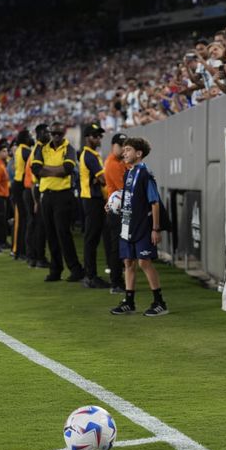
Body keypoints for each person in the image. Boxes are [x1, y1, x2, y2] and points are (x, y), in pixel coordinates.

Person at [110, 137, 168, 317]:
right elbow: (128, 197)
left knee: (144, 262)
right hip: (127, 225)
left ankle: (159, 302)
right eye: (124, 149)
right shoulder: (128, 172)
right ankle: (129, 301)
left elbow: (155, 202)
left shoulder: (145, 173)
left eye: (127, 149)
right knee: (128, 262)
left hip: (143, 226)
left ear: (138, 153)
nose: (124, 153)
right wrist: (113, 204)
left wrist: (155, 228)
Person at [31, 122, 85, 282]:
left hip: (63, 195)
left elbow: (68, 169)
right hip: (46, 195)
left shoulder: (69, 149)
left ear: (64, 133)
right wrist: (57, 171)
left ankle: (75, 269)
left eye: (59, 134)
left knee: (63, 233)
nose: (56, 136)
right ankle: (56, 269)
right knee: (51, 234)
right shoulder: (42, 148)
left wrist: (46, 170)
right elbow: (35, 169)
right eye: (53, 133)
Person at [79, 123, 110, 289]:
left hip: (92, 198)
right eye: (95, 136)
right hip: (92, 199)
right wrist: (100, 179)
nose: (98, 138)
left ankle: (90, 275)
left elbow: (99, 178)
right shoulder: (90, 155)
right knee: (91, 238)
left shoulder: (91, 154)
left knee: (92, 238)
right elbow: (103, 178)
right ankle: (90, 276)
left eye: (99, 135)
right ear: (87, 137)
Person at [103, 132, 129, 294]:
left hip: (121, 209)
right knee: (116, 247)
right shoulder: (112, 163)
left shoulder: (121, 161)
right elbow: (124, 188)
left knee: (120, 246)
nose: (124, 148)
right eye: (121, 145)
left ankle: (120, 280)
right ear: (114, 146)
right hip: (116, 210)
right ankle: (116, 282)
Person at [24, 124, 50, 269]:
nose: (49, 134)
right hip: (34, 190)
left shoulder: (37, 149)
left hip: (32, 190)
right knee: (38, 226)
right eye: (47, 132)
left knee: (34, 225)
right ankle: (38, 257)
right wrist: (36, 201)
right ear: (40, 133)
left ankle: (33, 256)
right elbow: (35, 179)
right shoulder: (38, 150)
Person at [10, 129, 33, 260]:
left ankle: (20, 250)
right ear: (25, 139)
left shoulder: (20, 150)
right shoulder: (26, 151)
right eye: (29, 136)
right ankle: (17, 250)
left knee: (22, 219)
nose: (31, 138)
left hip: (18, 184)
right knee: (20, 219)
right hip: (20, 185)